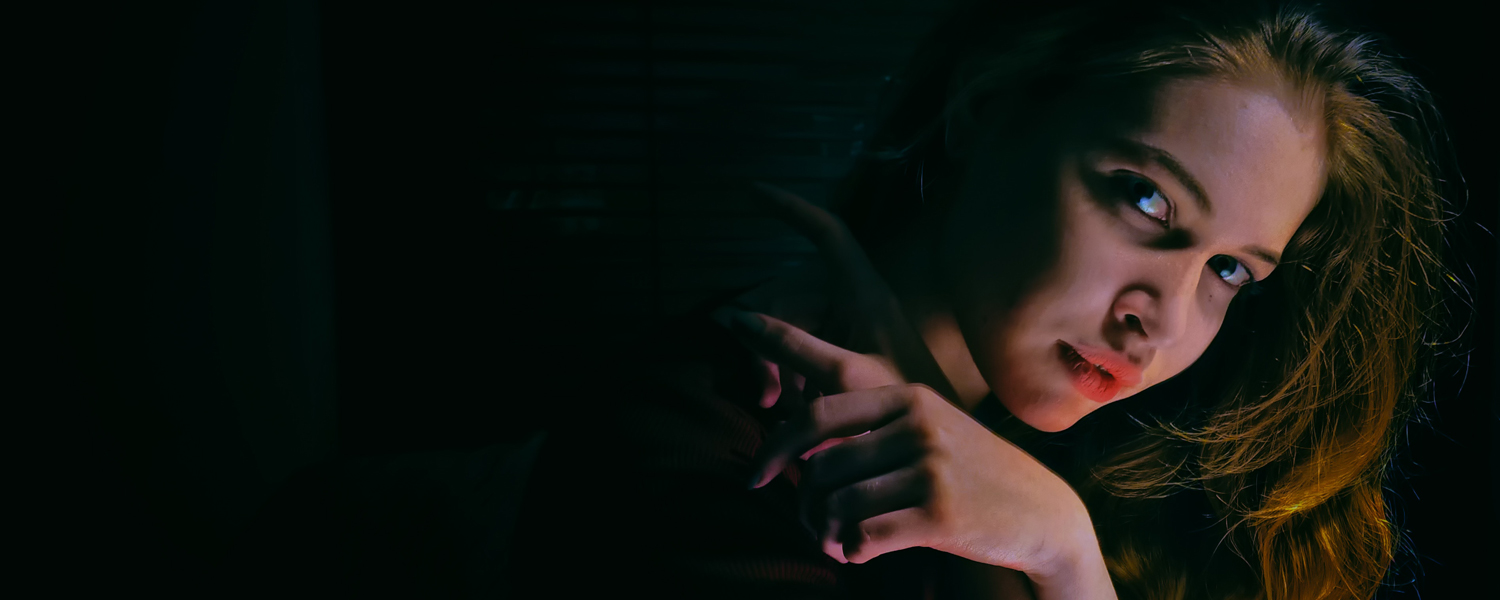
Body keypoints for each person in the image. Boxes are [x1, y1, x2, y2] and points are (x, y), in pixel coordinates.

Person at [507, 1, 1463, 599]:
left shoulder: (1117, 472)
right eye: (1145, 200)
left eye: (1230, 271)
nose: (1164, 321)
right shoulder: (695, 442)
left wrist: (1063, 549)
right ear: (983, 109)